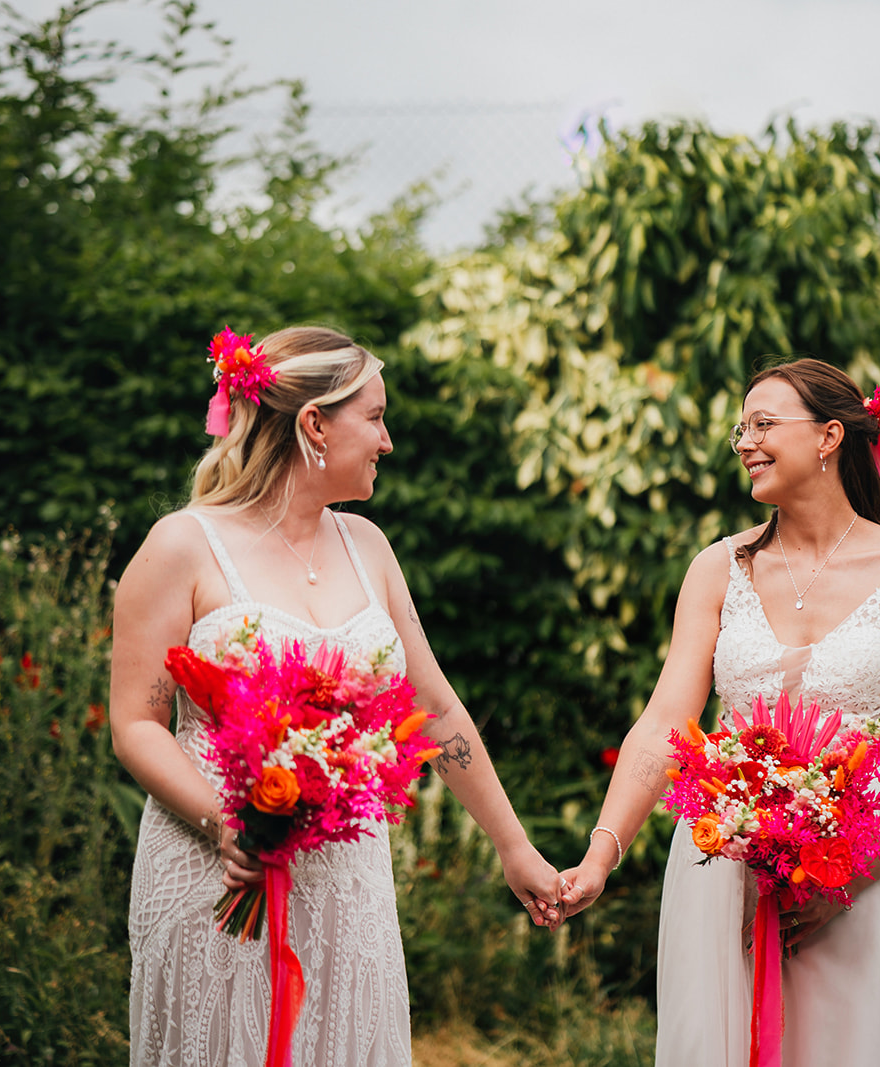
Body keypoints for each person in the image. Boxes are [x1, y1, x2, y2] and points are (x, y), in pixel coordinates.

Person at [111, 325, 564, 1067]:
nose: (387, 441)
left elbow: (435, 709)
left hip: (347, 882)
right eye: (376, 417)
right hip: (221, 875)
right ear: (314, 424)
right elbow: (136, 722)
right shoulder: (181, 546)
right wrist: (224, 823)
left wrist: (513, 845)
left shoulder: (369, 546)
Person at [559, 358, 880, 1065]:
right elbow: (667, 721)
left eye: (764, 424)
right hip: (722, 878)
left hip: (862, 880)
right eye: (741, 428)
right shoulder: (717, 568)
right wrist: (600, 854)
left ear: (828, 437)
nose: (745, 442)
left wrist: (847, 875)